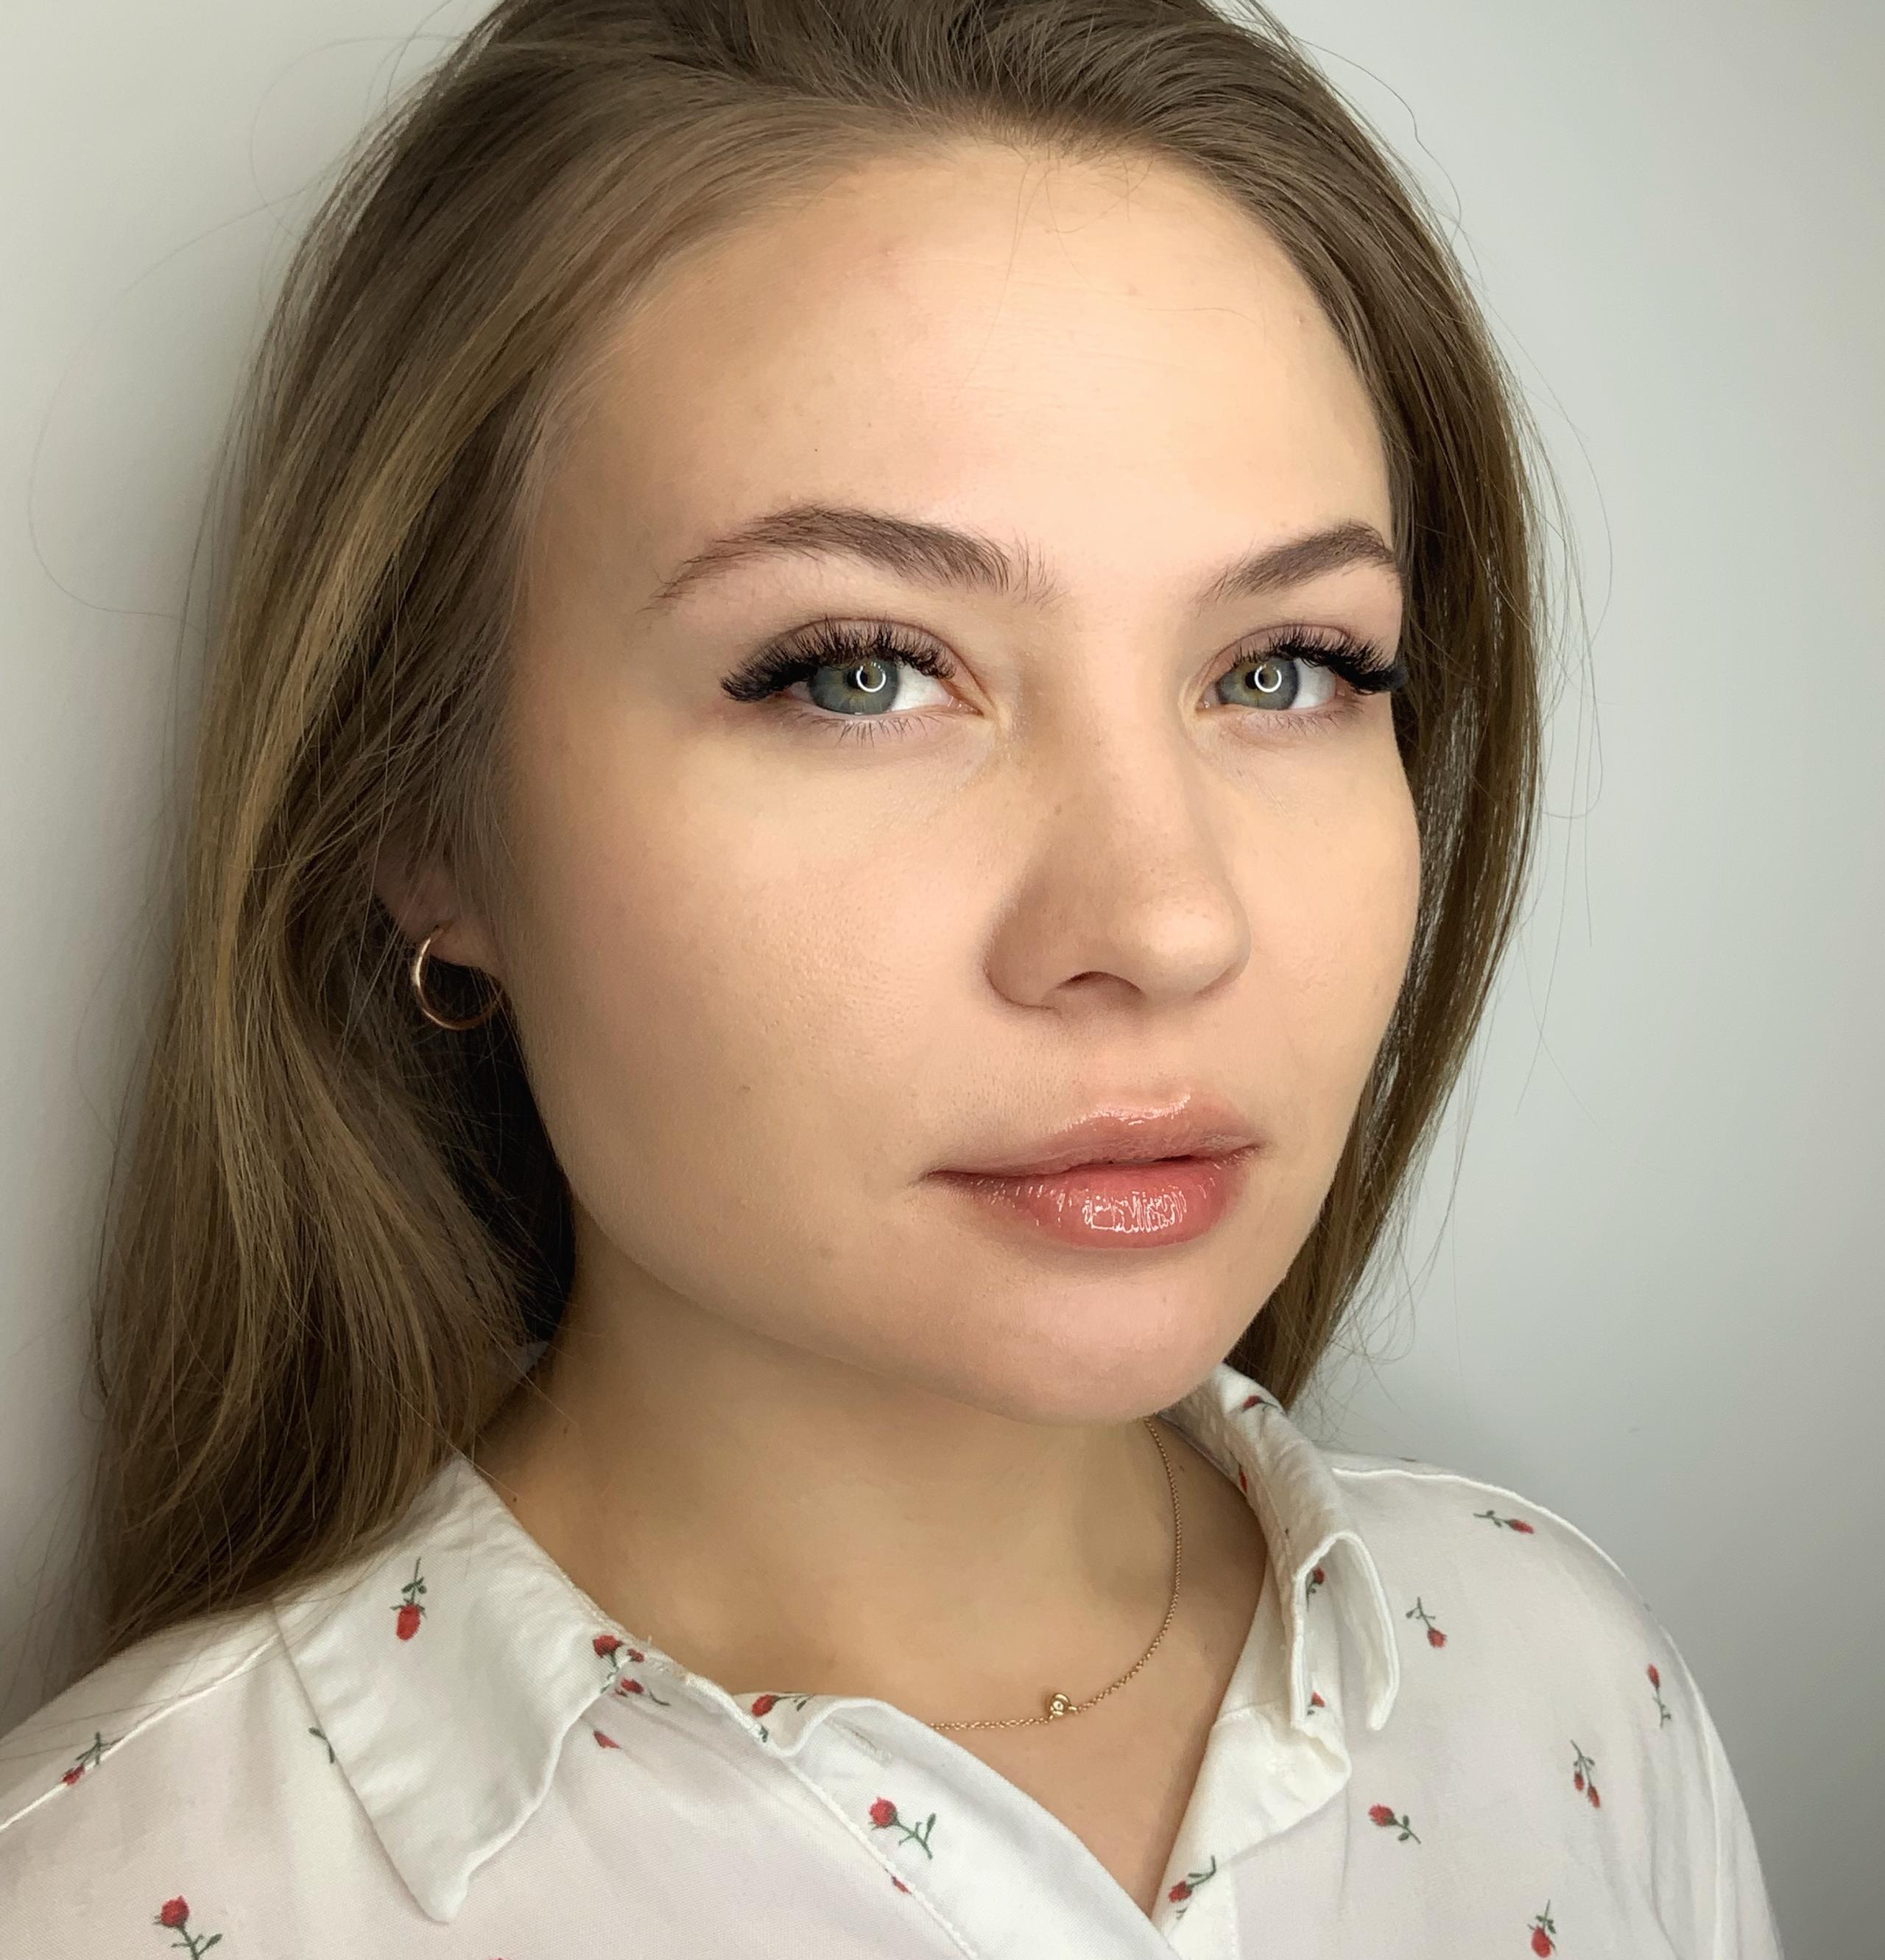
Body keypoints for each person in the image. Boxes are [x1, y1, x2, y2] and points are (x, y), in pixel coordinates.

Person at [0, 1, 1786, 1953]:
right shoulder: (121, 1897)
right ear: (423, 815)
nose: (1167, 919)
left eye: (1284, 668)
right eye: (858, 669)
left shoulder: (1566, 1684)